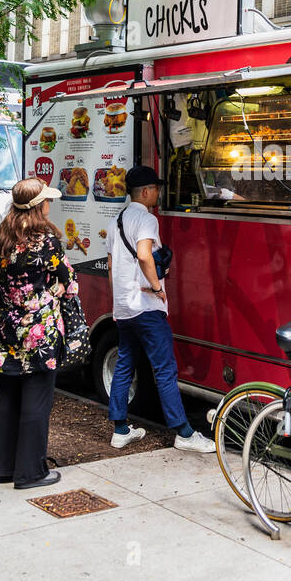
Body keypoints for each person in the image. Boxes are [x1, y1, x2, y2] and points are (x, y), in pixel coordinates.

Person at [106, 166, 214, 453]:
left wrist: (117, 300)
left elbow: (111, 265)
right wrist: (156, 288)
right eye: (155, 188)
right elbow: (144, 255)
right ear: (145, 191)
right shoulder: (146, 219)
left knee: (125, 363)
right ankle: (184, 433)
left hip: (124, 308)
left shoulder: (117, 219)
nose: (158, 193)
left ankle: (120, 429)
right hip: (145, 307)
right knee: (165, 369)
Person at [0, 178, 77, 489]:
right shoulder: (47, 241)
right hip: (40, 334)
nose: (50, 203)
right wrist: (58, 288)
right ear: (39, 206)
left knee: (8, 397)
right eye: (47, 200)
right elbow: (69, 281)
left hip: (7, 330)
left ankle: (2, 468)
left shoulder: (3, 239)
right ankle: (30, 472)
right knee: (37, 399)